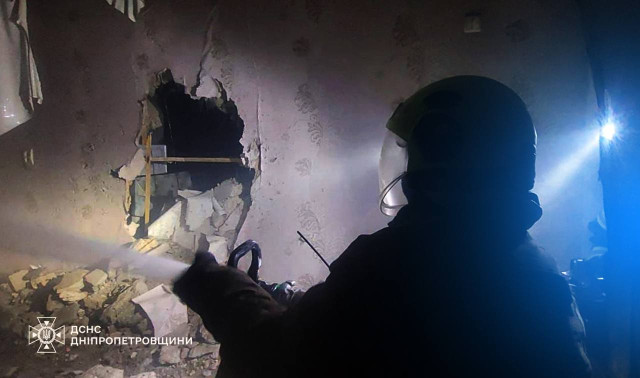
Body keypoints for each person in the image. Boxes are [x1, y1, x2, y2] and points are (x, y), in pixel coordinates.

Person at [173, 75, 592, 378]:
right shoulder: (535, 273)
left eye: (412, 150)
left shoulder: (394, 264)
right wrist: (301, 304)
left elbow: (275, 357)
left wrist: (222, 289)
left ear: (439, 151)